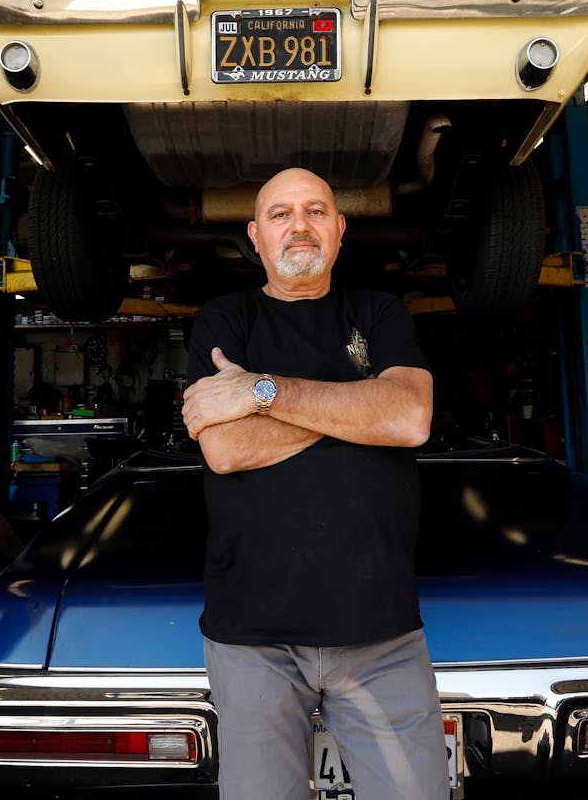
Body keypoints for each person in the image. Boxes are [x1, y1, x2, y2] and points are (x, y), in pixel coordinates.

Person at [182, 167, 451, 800]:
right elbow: (224, 447)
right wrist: (359, 411)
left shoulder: (379, 312)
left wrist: (261, 391)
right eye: (280, 214)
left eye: (315, 211)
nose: (298, 225)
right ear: (255, 236)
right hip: (252, 638)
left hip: (380, 633)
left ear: (339, 229)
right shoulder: (224, 322)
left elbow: (409, 418)